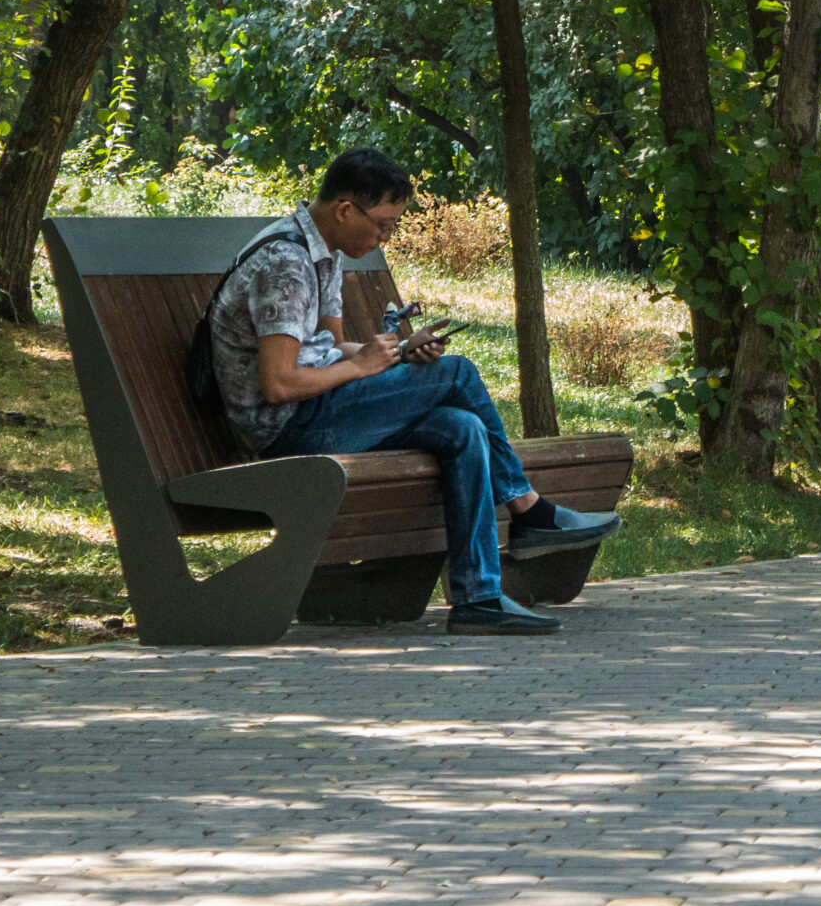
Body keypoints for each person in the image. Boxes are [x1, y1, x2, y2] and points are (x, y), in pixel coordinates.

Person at [206, 148, 619, 635]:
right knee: (459, 374)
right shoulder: (286, 264)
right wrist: (364, 367)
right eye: (382, 224)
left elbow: (333, 347)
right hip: (286, 432)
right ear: (344, 210)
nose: (386, 237)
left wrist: (399, 353)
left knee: (462, 428)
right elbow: (278, 385)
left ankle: (478, 597)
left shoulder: (322, 255)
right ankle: (529, 511)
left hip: (320, 411)